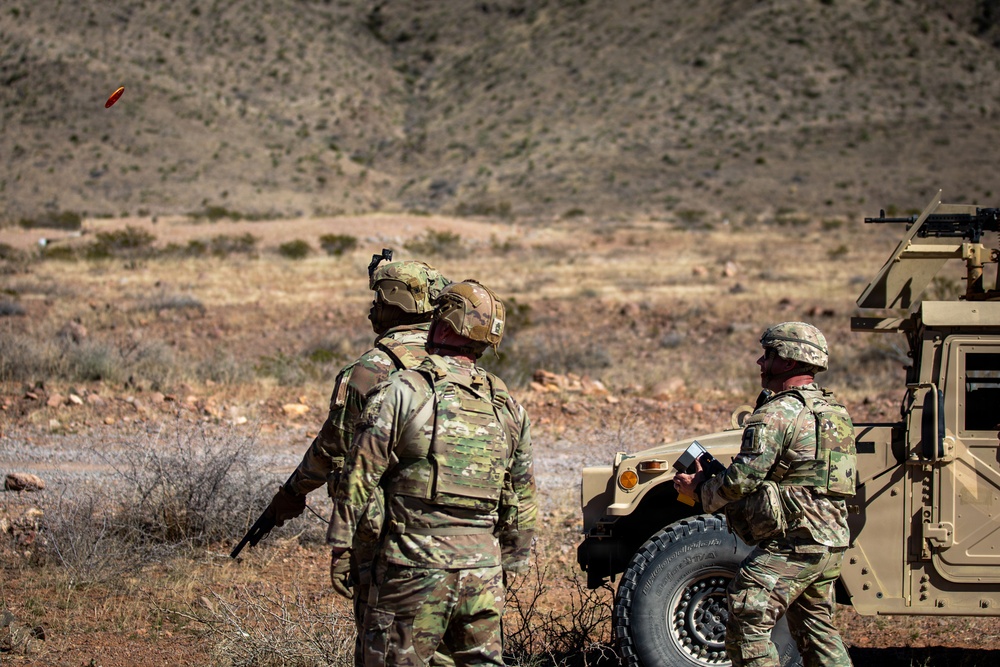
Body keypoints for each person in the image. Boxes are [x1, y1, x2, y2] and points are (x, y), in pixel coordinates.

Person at [327, 280, 537, 667]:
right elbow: (521, 500)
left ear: (441, 326)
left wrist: (343, 546)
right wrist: (504, 565)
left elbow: (360, 474)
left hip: (413, 568)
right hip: (483, 575)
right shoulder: (508, 407)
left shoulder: (403, 390)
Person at [261, 253, 450, 666]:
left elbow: (334, 448)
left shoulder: (371, 370)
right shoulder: (458, 366)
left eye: (377, 299)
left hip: (389, 534)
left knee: (382, 643)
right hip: (457, 530)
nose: (371, 309)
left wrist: (292, 493)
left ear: (391, 304)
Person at [674, 322, 856, 667]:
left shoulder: (777, 412)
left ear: (788, 361)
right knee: (817, 632)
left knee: (746, 614)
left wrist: (698, 489)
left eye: (768, 354)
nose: (760, 362)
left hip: (797, 542)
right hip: (831, 540)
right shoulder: (834, 413)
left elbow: (742, 480)